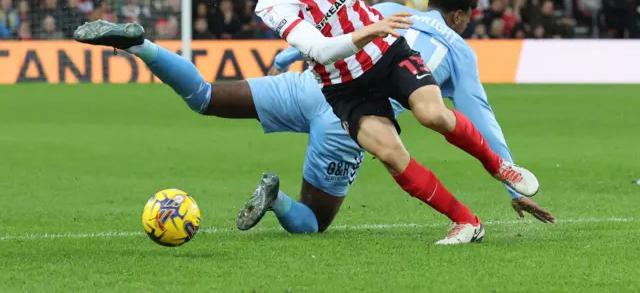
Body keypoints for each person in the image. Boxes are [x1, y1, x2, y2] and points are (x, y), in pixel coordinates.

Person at [72, 20, 554, 248]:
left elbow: (326, 33)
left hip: (306, 83)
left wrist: (288, 60)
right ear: (465, 16)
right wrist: (509, 179)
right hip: (344, 116)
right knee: (315, 222)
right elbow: (478, 114)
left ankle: (143, 47)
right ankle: (278, 199)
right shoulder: (459, 51)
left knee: (205, 97)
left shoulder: (390, 8)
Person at [247, 0, 538, 243]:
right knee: (391, 154)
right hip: (343, 85)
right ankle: (466, 222)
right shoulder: (272, 4)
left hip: (386, 54)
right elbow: (321, 50)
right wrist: (370, 30)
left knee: (433, 114)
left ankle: (498, 166)